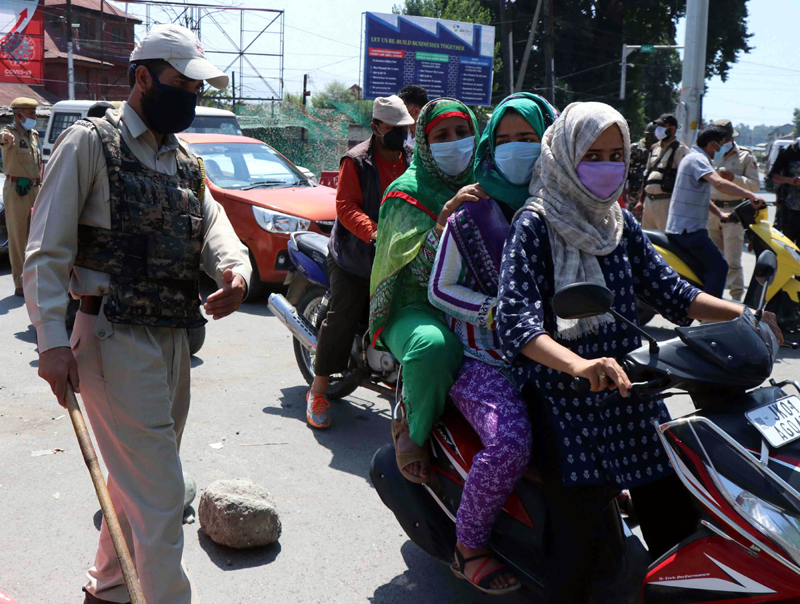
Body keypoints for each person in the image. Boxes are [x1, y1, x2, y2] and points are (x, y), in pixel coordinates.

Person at [496, 101, 783, 604]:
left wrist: (743, 316)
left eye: (615, 154)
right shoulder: (534, 224)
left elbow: (674, 292)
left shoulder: (620, 224)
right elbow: (515, 323)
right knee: (579, 547)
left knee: (678, 513)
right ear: (564, 155)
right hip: (565, 398)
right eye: (592, 154)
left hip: (632, 387)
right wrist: (580, 364)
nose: (606, 166)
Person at [24, 24, 251, 604]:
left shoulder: (184, 161)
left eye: (199, 90)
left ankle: (105, 589)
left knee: (136, 483)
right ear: (143, 77)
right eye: (183, 85)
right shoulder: (88, 143)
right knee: (161, 497)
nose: (193, 99)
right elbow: (45, 253)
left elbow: (216, 228)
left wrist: (235, 270)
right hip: (110, 337)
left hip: (175, 340)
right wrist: (51, 343)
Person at [428, 92, 556, 595]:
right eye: (504, 141)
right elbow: (441, 287)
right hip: (486, 361)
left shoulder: (565, 210)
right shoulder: (470, 213)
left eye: (528, 140)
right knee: (509, 443)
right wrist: (493, 313)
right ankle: (469, 544)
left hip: (552, 356)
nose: (515, 151)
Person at [370, 97, 481, 484]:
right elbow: (419, 274)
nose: (455, 142)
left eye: (462, 133)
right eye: (442, 136)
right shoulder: (406, 192)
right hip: (415, 306)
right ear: (425, 142)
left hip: (475, 303)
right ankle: (409, 429)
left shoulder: (490, 184)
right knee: (434, 347)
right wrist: (443, 222)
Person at [306, 95, 414, 428]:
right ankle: (319, 388)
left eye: (406, 128)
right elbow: (347, 207)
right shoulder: (356, 161)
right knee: (343, 313)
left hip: (397, 254)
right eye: (395, 128)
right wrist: (374, 232)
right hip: (355, 255)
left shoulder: (410, 158)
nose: (402, 134)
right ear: (376, 128)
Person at [665, 124, 765, 298]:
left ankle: (704, 306)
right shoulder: (698, 160)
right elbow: (719, 183)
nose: (720, 149)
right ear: (713, 144)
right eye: (720, 144)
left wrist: (720, 214)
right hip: (688, 230)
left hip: (685, 227)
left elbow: (701, 197)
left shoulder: (693, 158)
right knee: (720, 266)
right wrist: (750, 195)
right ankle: (710, 316)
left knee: (711, 267)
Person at [708, 118, 761, 301]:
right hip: (711, 211)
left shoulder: (745, 156)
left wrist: (734, 178)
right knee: (712, 259)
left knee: (732, 261)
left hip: (734, 213)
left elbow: (755, 185)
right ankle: (712, 300)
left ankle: (736, 301)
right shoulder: (709, 152)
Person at [0, 97, 42, 296]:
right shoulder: (9, 133)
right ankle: (19, 282)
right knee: (18, 237)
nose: (34, 117)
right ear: (19, 114)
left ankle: (35, 278)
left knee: (37, 237)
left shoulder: (33, 135)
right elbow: (2, 138)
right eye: (31, 113)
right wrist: (5, 138)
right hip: (17, 189)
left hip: (35, 188)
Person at [636, 113, 690, 230]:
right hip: (649, 202)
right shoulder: (654, 148)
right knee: (648, 239)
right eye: (658, 126)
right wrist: (640, 201)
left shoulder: (681, 150)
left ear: (672, 128)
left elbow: (685, 180)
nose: (658, 129)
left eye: (662, 126)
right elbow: (647, 176)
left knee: (665, 240)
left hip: (666, 202)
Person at [769, 137, 800, 245]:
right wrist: (791, 180)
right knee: (788, 245)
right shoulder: (789, 150)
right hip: (789, 208)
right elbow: (773, 175)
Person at [626, 121, 656, 211]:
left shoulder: (659, 150)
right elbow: (626, 168)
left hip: (650, 192)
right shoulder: (636, 149)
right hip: (634, 190)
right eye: (650, 135)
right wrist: (623, 189)